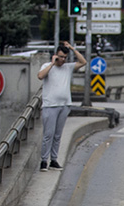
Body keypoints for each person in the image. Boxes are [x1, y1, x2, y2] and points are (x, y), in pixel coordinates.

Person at [37, 41, 87, 171]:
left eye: (65, 57)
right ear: (55, 55)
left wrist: (72, 48)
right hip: (50, 105)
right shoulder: (48, 65)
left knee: (58, 135)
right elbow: (40, 76)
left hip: (64, 105)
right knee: (48, 134)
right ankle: (44, 161)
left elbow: (83, 62)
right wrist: (53, 63)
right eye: (61, 57)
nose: (63, 60)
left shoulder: (68, 67)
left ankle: (54, 160)